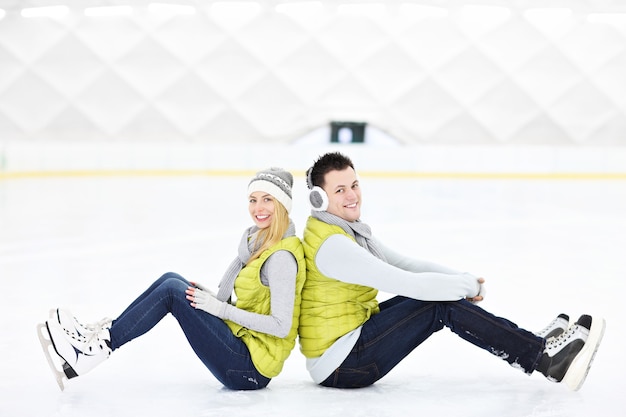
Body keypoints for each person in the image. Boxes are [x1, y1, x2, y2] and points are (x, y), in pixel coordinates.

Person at [298, 152, 605, 391]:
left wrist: (462, 279)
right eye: (340, 190)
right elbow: (407, 283)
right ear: (319, 199)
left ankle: (527, 342)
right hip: (343, 365)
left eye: (354, 185)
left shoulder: (345, 231)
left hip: (347, 348)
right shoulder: (333, 245)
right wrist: (464, 287)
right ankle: (543, 358)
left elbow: (406, 264)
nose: (352, 195)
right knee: (439, 305)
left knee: (439, 299)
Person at [37, 167, 306, 391]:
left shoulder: (281, 257)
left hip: (249, 368)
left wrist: (220, 309)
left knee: (173, 293)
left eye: (267, 199)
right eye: (253, 199)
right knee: (173, 280)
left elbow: (281, 326)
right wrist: (214, 299)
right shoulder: (260, 242)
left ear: (282, 205)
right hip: (242, 346)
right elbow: (254, 304)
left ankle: (95, 351)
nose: (258, 208)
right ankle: (99, 338)